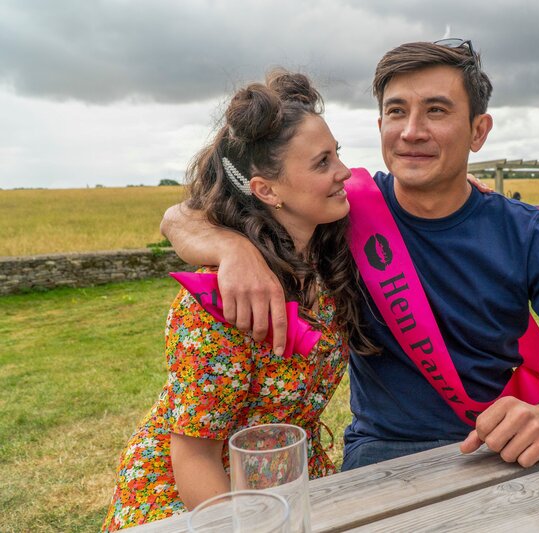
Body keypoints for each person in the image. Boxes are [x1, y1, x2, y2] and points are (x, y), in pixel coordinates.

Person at [161, 40, 539, 472]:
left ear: (478, 131)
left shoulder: (528, 233)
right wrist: (232, 247)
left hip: (497, 446)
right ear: (381, 125)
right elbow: (182, 215)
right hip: (383, 454)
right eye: (397, 111)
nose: (412, 131)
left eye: (436, 111)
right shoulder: (342, 210)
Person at [102, 71, 374, 531]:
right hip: (198, 501)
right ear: (267, 190)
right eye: (322, 163)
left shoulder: (328, 258)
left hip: (289, 484)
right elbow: (194, 455)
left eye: (338, 153)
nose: (343, 171)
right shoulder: (216, 302)